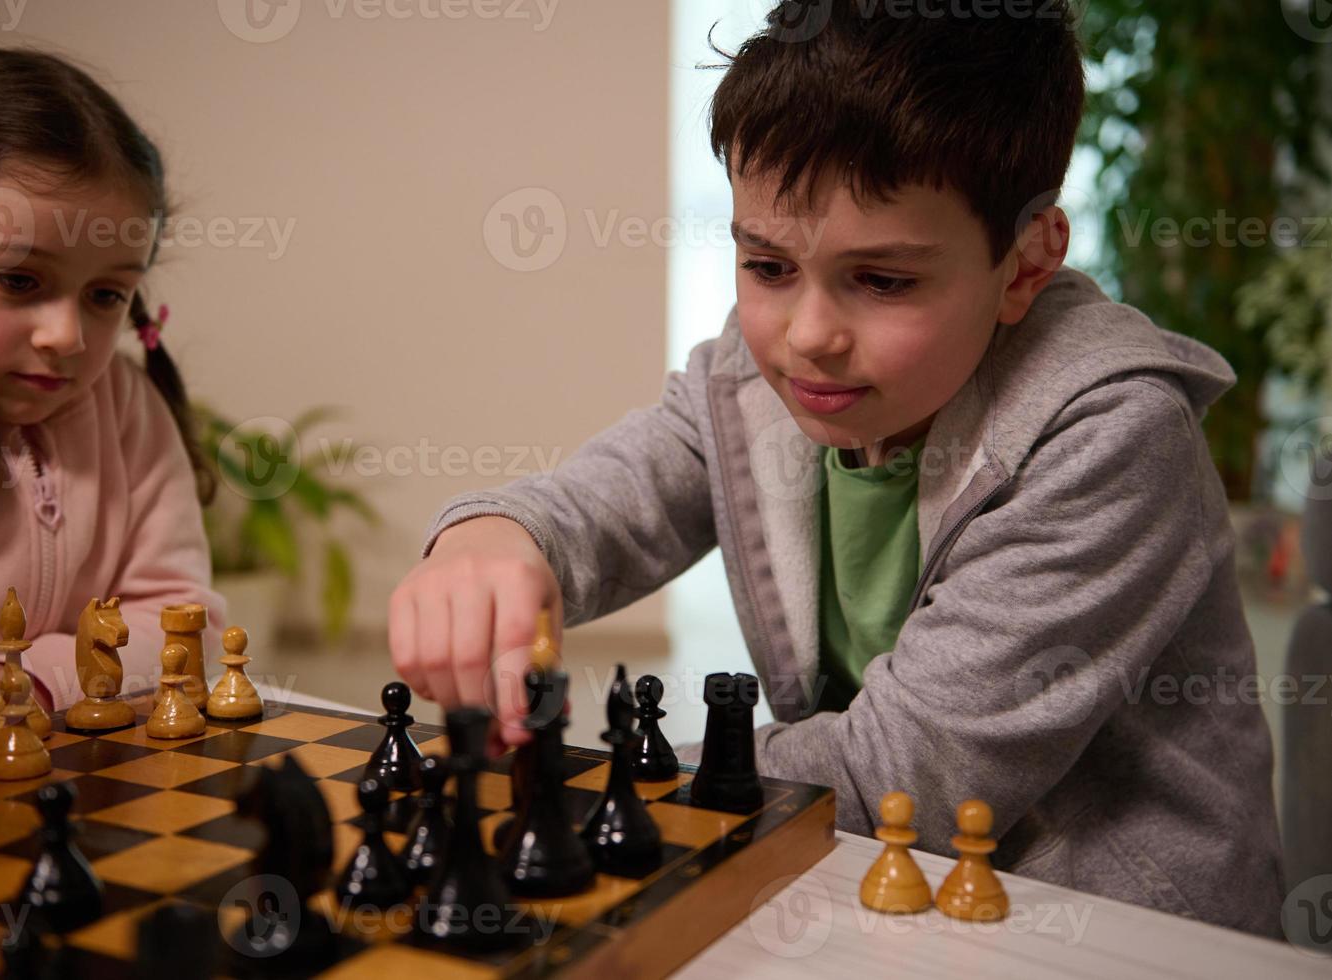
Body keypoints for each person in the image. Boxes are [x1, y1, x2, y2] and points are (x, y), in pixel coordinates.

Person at [391, 1, 1284, 935]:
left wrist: (585, 793)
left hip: (1116, 933)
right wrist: (496, 533)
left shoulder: (1110, 432)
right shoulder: (752, 368)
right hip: (878, 890)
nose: (807, 337)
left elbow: (900, 774)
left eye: (884, 281)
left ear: (1024, 266)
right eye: (766, 265)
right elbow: (611, 500)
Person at [0, 46, 227, 840]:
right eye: (19, 280)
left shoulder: (126, 410)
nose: (66, 335)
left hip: (80, 810)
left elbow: (182, 631)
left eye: (105, 295)